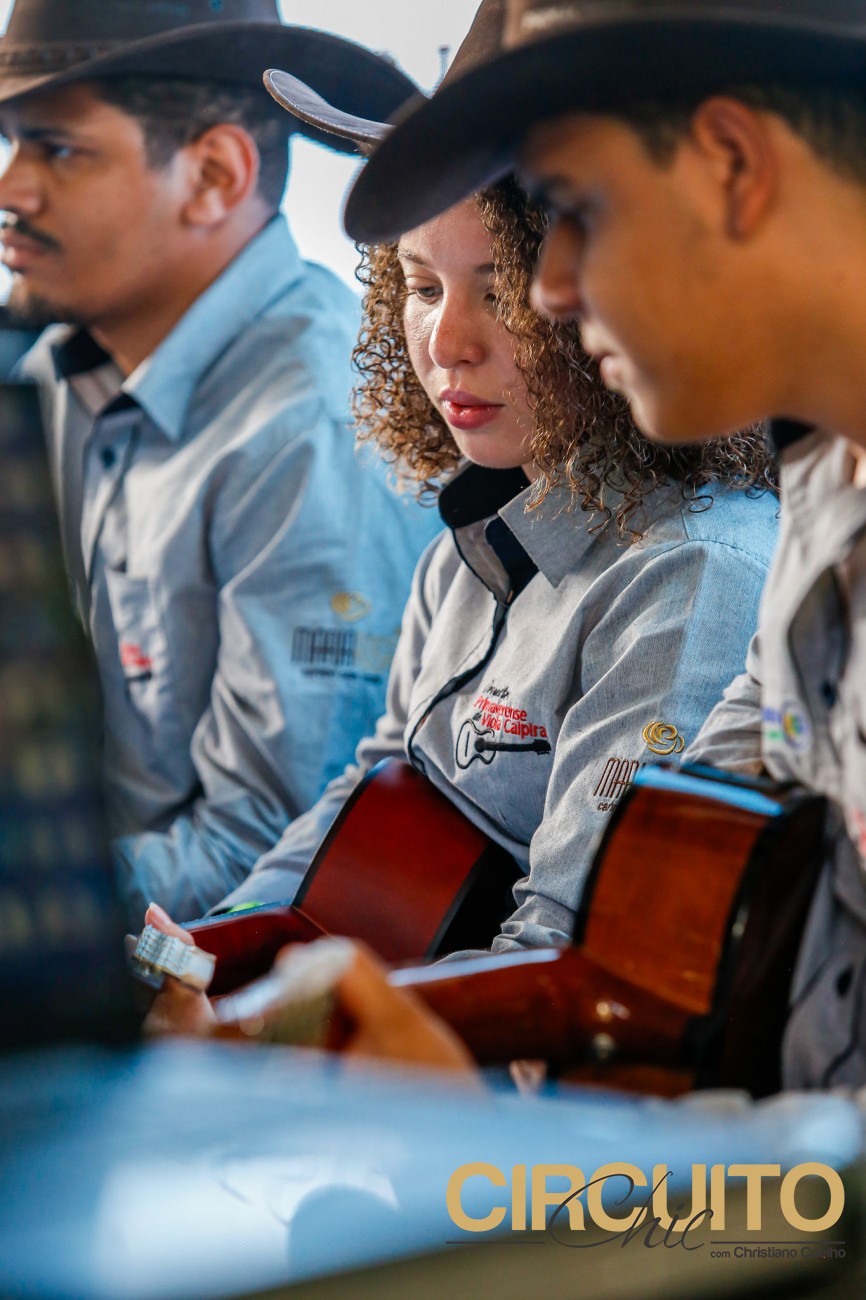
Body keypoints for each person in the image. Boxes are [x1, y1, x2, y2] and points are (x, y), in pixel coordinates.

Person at [328, 0, 866, 1088]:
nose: (554, 290)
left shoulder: (712, 552)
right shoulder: (822, 482)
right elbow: (638, 940)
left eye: (574, 208)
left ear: (731, 165)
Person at [204, 64, 778, 957]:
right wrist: (212, 948)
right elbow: (379, 784)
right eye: (421, 287)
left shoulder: (690, 572)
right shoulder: (464, 546)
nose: (447, 343)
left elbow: (563, 949)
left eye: (503, 291)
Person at [0, 0, 440, 927]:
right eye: (11, 145)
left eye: (57, 149)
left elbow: (269, 854)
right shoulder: (52, 376)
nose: (12, 188)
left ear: (212, 176)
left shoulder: (311, 430)